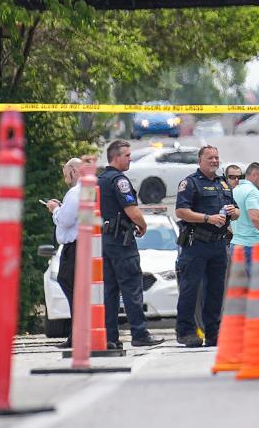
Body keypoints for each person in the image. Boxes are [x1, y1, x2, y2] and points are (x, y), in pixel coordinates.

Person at [98, 140, 165, 348]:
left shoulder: (99, 180)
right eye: (127, 155)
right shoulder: (120, 181)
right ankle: (139, 334)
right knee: (131, 288)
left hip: (104, 241)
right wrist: (143, 224)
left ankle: (110, 338)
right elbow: (131, 210)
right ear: (116, 157)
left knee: (109, 291)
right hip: (121, 242)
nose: (130, 159)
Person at [174, 145, 239, 347]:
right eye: (210, 158)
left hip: (218, 245)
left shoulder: (223, 184)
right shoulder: (190, 183)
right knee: (190, 289)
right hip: (196, 244)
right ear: (200, 161)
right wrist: (207, 218)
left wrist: (233, 211)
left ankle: (214, 333)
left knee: (216, 291)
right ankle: (186, 332)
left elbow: (236, 211)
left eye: (217, 158)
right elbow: (181, 212)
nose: (214, 161)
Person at [45, 158, 83, 348]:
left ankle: (77, 335)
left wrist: (55, 209)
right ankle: (77, 334)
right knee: (75, 288)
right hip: (81, 245)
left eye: (66, 174)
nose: (65, 178)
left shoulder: (75, 192)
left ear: (74, 171)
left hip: (74, 247)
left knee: (69, 284)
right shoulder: (87, 190)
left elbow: (66, 219)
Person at [231, 162, 259, 273]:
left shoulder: (234, 190)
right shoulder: (252, 192)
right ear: (254, 175)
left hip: (235, 246)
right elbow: (254, 217)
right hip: (251, 246)